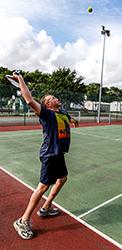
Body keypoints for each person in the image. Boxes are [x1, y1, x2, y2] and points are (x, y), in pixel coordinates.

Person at [12, 72, 79, 240]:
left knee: (62, 178)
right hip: (49, 154)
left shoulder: (61, 113)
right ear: (47, 105)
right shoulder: (47, 115)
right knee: (42, 187)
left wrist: (74, 121)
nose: (56, 98)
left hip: (59, 155)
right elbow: (29, 100)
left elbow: (70, 119)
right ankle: (23, 220)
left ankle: (47, 207)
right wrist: (21, 80)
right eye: (52, 98)